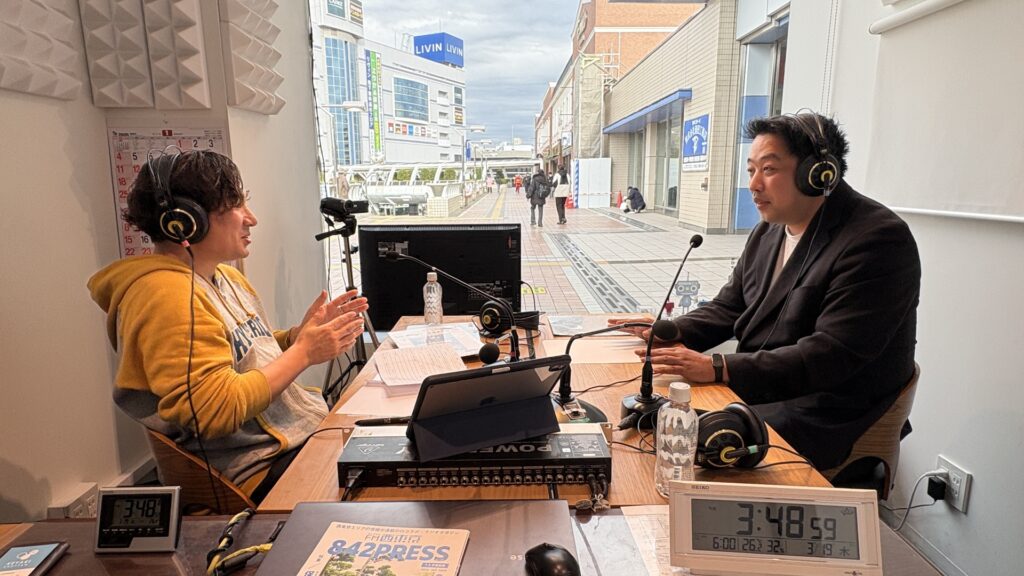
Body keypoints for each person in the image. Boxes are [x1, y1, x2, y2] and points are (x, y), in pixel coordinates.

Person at [610, 113, 921, 470]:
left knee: (686, 441)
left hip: (824, 407)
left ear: (818, 173)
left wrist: (717, 367)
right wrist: (668, 331)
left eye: (769, 170)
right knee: (652, 415)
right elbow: (730, 306)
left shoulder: (878, 240)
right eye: (751, 170)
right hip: (764, 388)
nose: (754, 185)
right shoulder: (769, 230)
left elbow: (831, 355)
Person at [88, 150, 368, 502]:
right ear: (186, 220)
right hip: (256, 471)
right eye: (235, 205)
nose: (251, 219)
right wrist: (304, 353)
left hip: (294, 440)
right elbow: (216, 409)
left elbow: (238, 354)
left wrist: (295, 338)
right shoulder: (165, 297)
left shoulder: (224, 277)